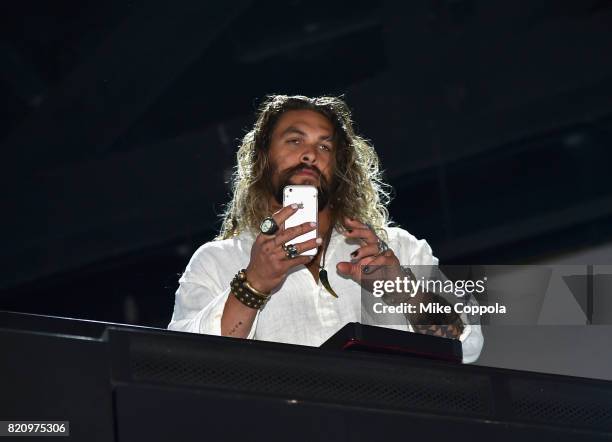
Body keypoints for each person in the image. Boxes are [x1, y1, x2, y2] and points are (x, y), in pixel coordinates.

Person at [168, 95, 483, 363]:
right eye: (295, 141)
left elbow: (467, 345)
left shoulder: (397, 249)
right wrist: (254, 283)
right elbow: (183, 362)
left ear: (340, 167)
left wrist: (402, 289)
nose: (310, 154)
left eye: (325, 146)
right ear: (262, 157)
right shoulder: (215, 261)